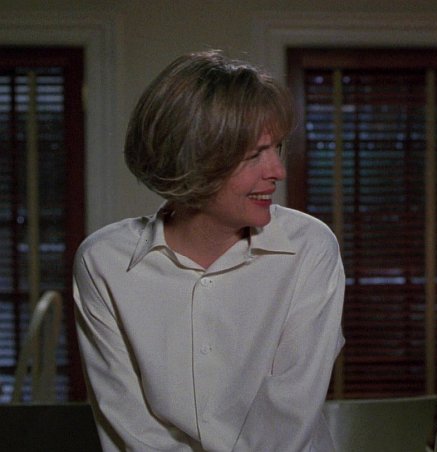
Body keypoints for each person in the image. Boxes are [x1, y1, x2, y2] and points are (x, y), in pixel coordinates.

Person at [73, 50, 345, 451]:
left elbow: (287, 421)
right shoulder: (103, 263)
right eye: (254, 155)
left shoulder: (310, 248)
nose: (278, 171)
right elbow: (132, 429)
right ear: (193, 160)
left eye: (277, 148)